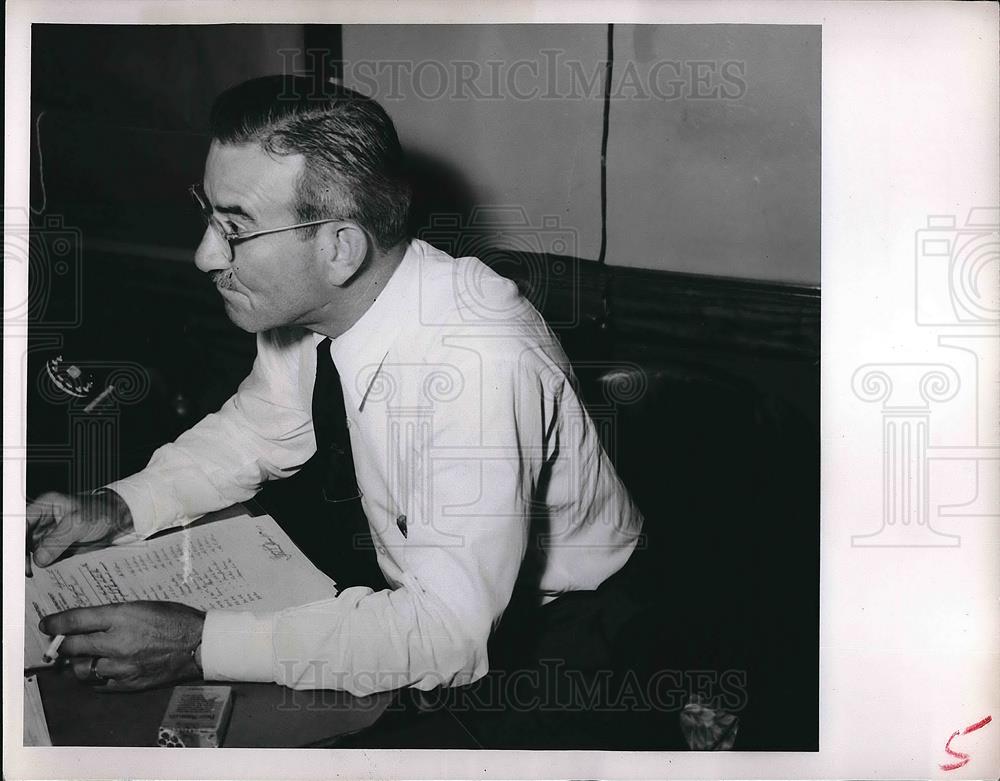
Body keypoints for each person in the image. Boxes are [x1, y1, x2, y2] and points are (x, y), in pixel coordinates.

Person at [27, 76, 649, 720]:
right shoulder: (317, 304)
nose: (204, 255)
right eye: (208, 215)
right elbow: (259, 430)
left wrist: (198, 644)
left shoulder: (476, 364)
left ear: (340, 248)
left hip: (563, 642)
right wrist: (117, 505)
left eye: (235, 228)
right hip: (424, 597)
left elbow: (448, 634)